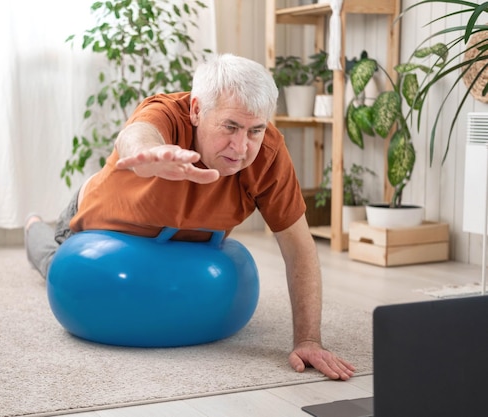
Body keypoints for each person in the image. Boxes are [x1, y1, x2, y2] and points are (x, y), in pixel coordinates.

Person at [25, 53, 356, 381]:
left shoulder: (267, 154)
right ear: (197, 110)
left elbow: (298, 246)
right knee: (55, 264)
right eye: (230, 126)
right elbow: (136, 135)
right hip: (95, 226)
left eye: (255, 130)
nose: (241, 147)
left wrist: (309, 340)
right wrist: (149, 155)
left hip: (179, 239)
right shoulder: (168, 113)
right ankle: (33, 227)